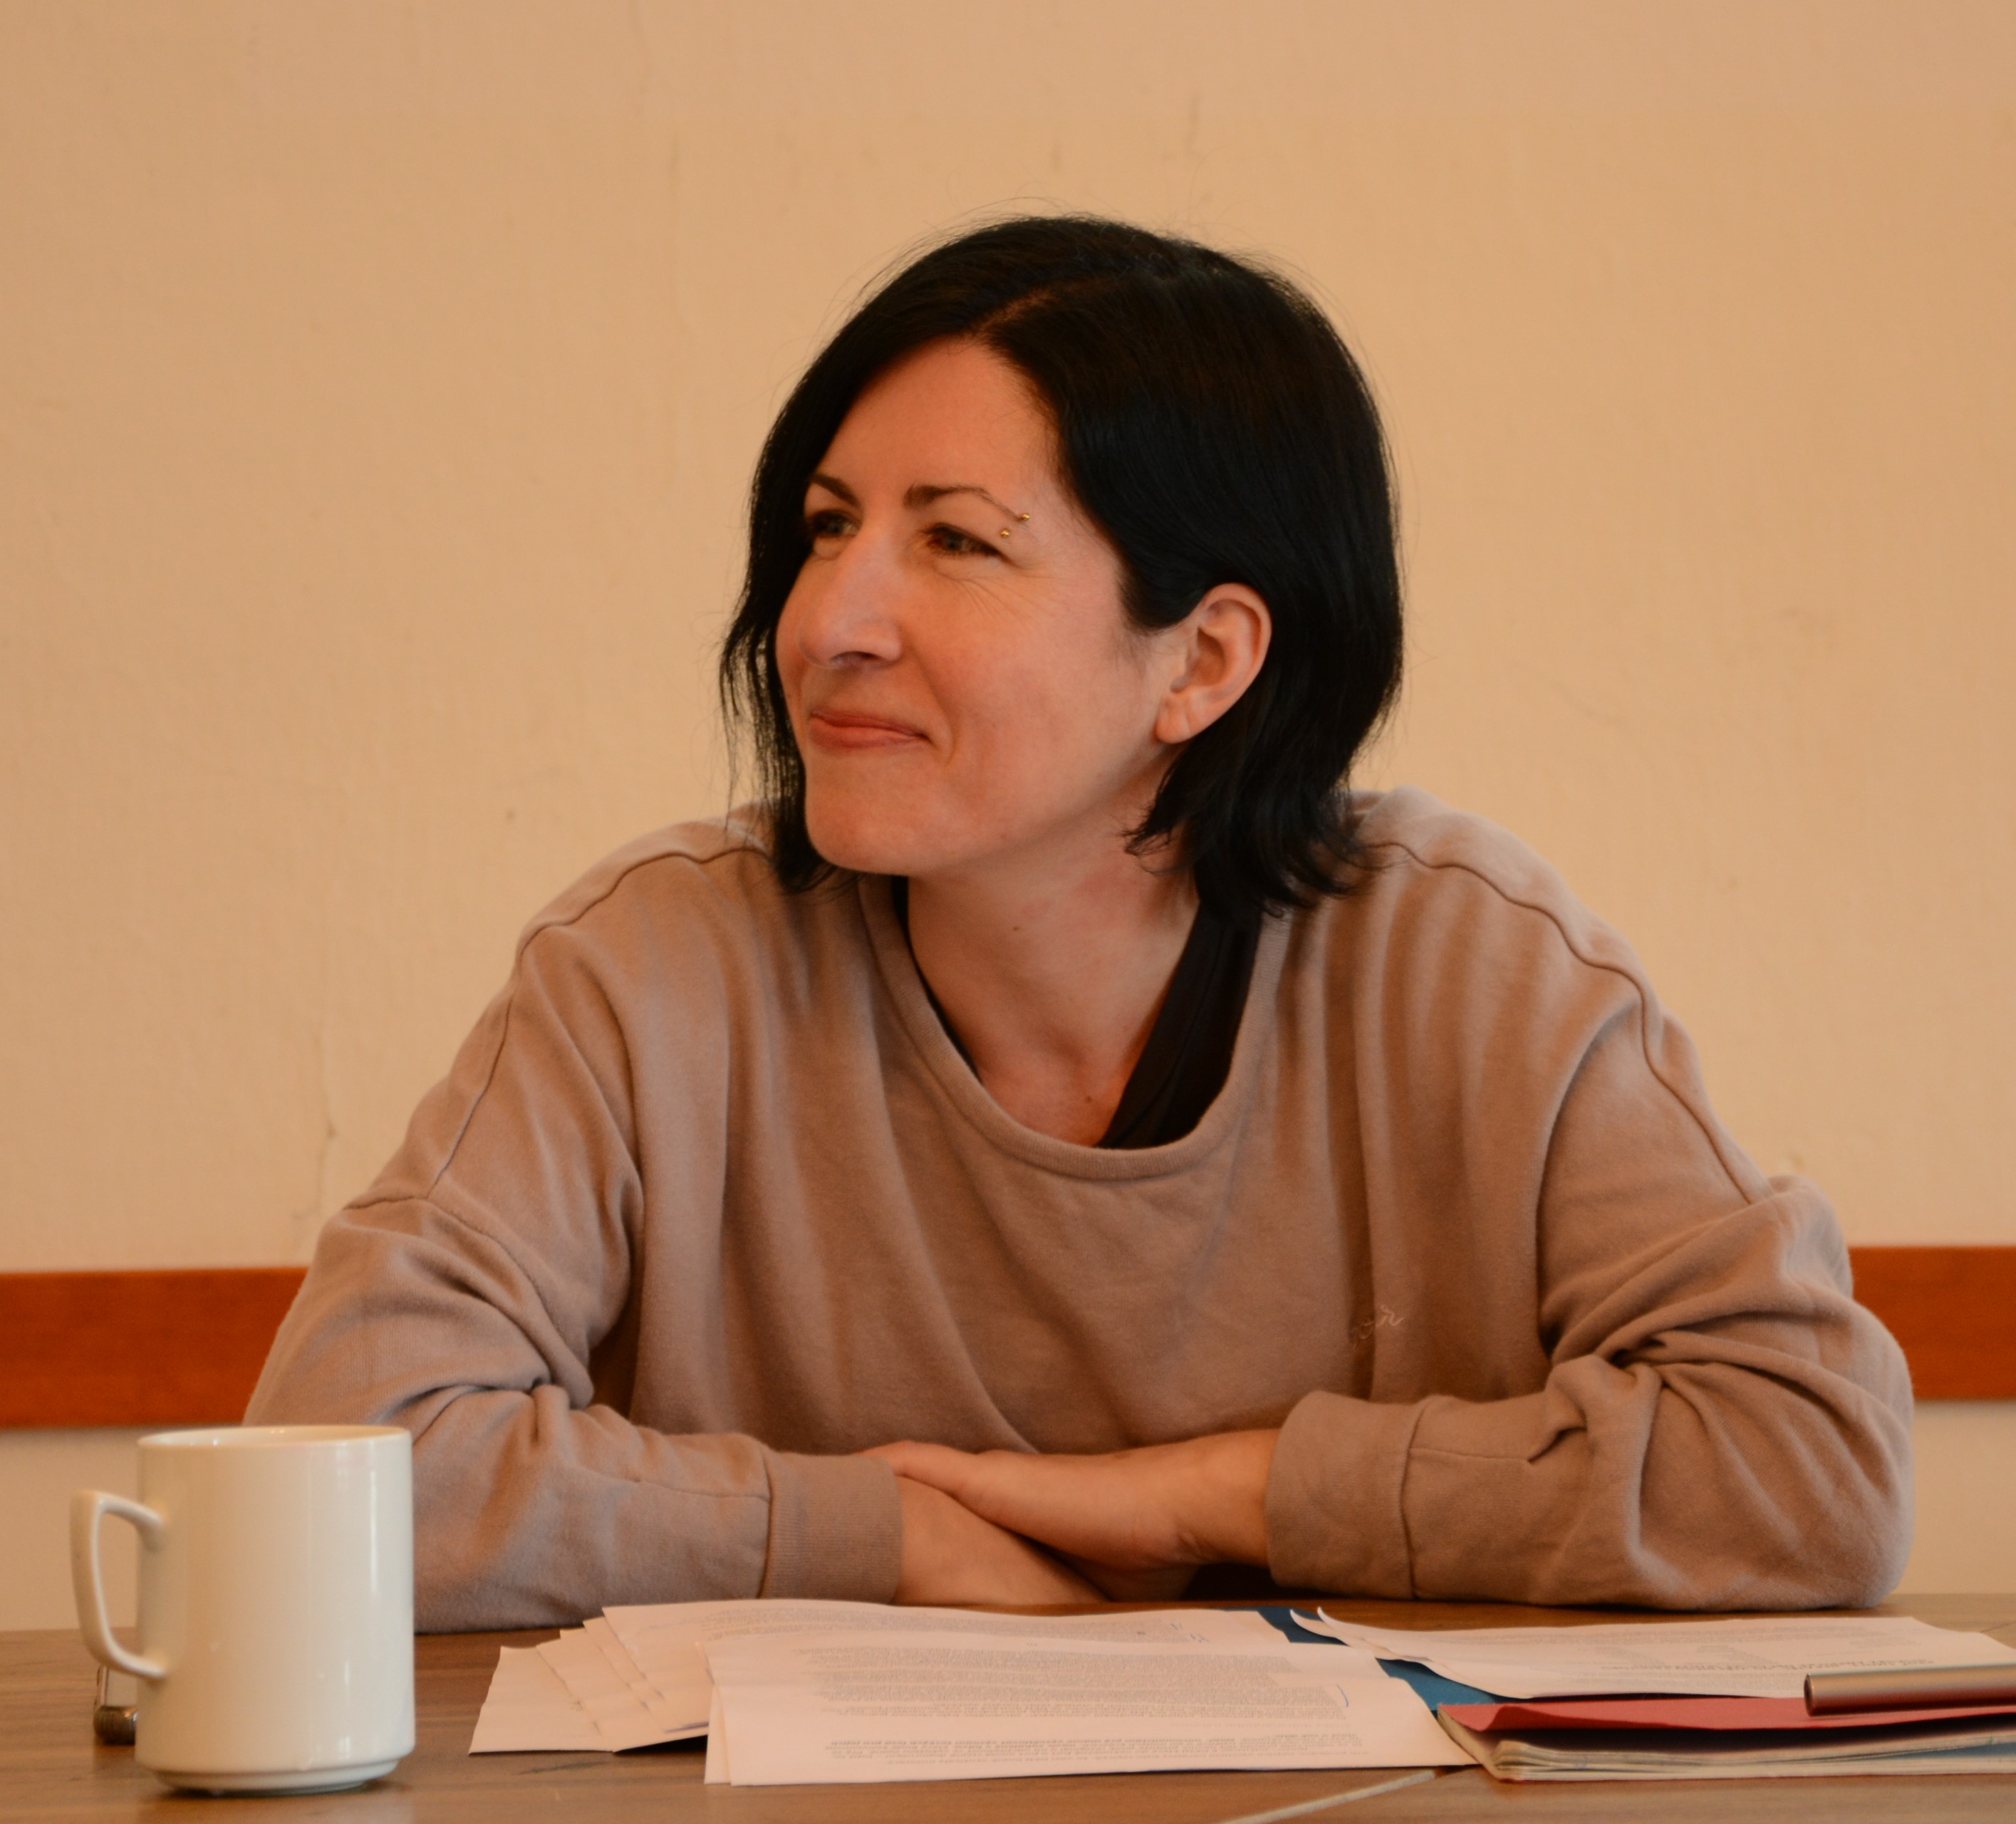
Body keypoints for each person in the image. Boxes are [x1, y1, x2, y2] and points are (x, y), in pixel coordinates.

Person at [248, 216, 1913, 1632]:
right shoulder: (654, 968)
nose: (829, 620)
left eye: (953, 541)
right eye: (827, 527)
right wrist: (878, 1537)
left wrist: (1211, 1497)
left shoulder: (1460, 963)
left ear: (1202, 662)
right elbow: (338, 1458)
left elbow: (1810, 1466)